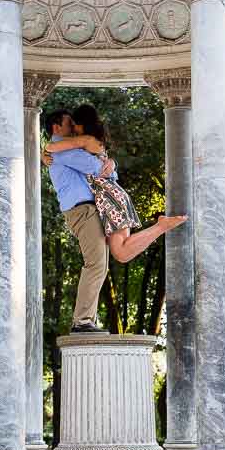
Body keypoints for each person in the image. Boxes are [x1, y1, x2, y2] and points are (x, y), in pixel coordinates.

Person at [44, 103, 187, 265]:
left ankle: (161, 227)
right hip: (109, 195)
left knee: (121, 252)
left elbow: (53, 147)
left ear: (82, 124)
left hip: (109, 195)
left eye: (73, 124)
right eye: (69, 124)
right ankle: (161, 227)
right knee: (122, 253)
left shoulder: (86, 140)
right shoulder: (89, 141)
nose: (72, 128)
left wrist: (46, 150)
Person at [42, 108, 116, 333]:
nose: (73, 127)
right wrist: (107, 163)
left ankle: (86, 320)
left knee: (100, 266)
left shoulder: (64, 148)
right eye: (69, 123)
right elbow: (98, 169)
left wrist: (108, 161)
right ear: (57, 127)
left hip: (88, 210)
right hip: (83, 211)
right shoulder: (63, 151)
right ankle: (82, 321)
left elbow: (104, 169)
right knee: (96, 264)